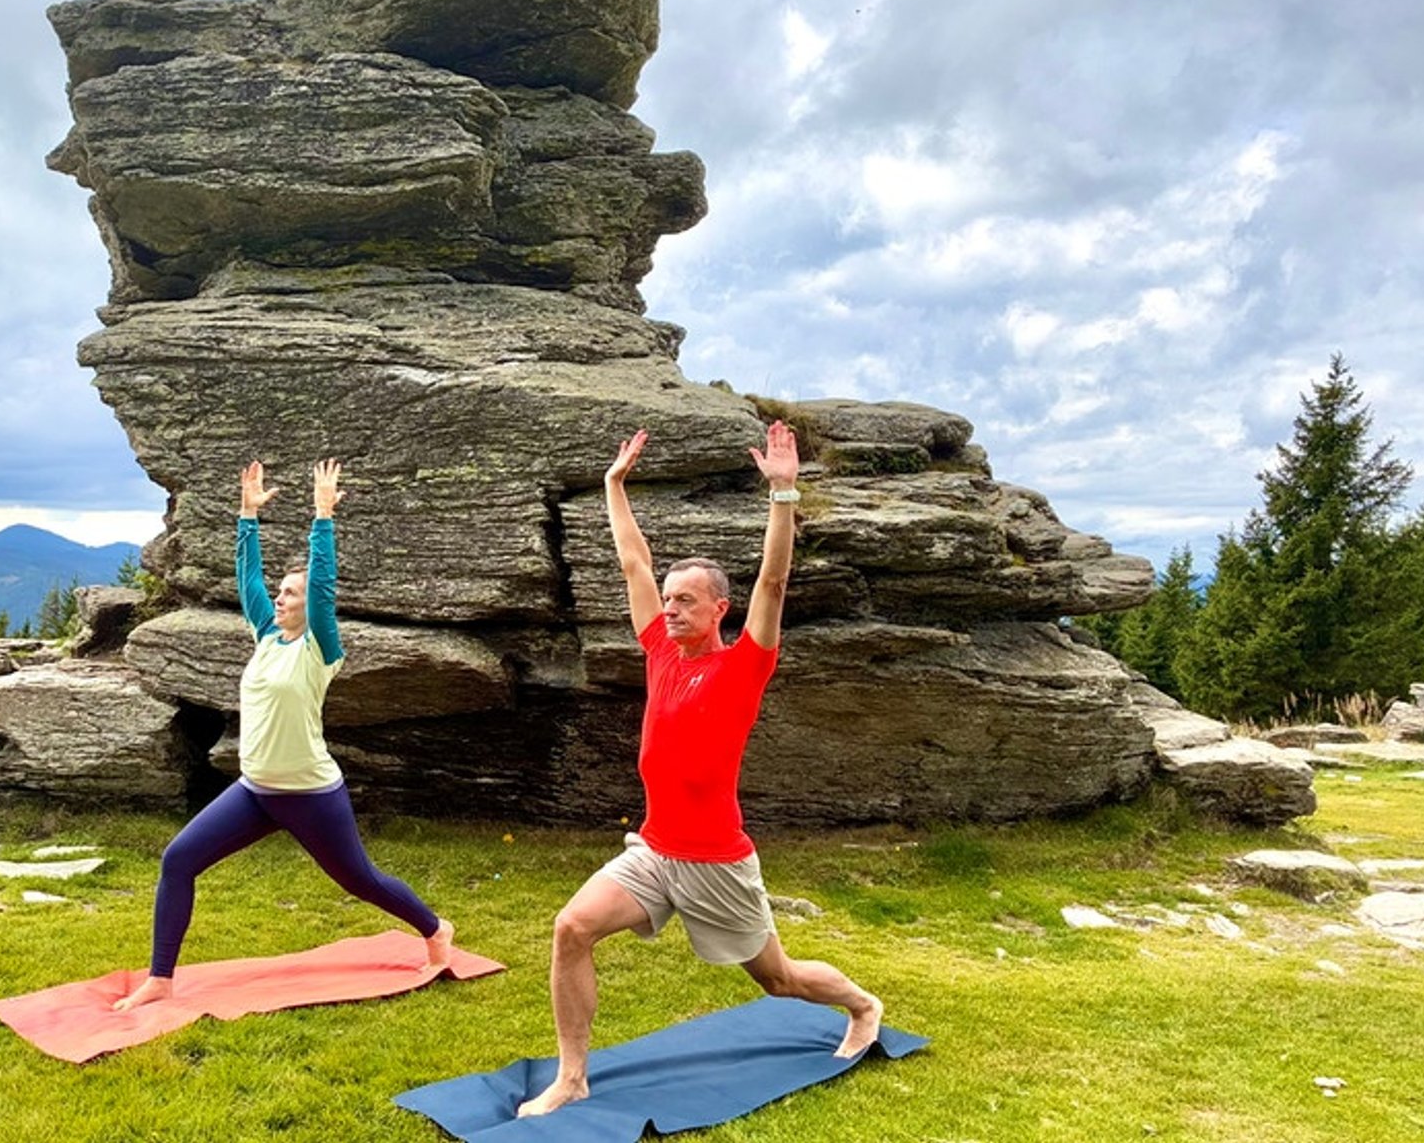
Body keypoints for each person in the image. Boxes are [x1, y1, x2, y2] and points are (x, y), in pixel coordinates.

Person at [517, 421, 883, 1117]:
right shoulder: (659, 651)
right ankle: (572, 1076)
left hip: (717, 861)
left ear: (719, 608)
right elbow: (632, 563)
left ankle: (862, 1005)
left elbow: (774, 581)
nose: (672, 608)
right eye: (670, 597)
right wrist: (612, 485)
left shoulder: (745, 664)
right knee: (572, 928)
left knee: (778, 979)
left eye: (686, 600)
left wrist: (783, 495)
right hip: (655, 850)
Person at [116, 458, 453, 1012]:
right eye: (281, 592)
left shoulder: (319, 650)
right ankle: (161, 979)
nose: (280, 598)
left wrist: (323, 517)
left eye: (290, 594)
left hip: (311, 796)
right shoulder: (268, 637)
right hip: (255, 792)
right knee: (178, 859)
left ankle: (436, 928)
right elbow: (248, 579)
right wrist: (247, 515)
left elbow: (322, 588)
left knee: (361, 881)